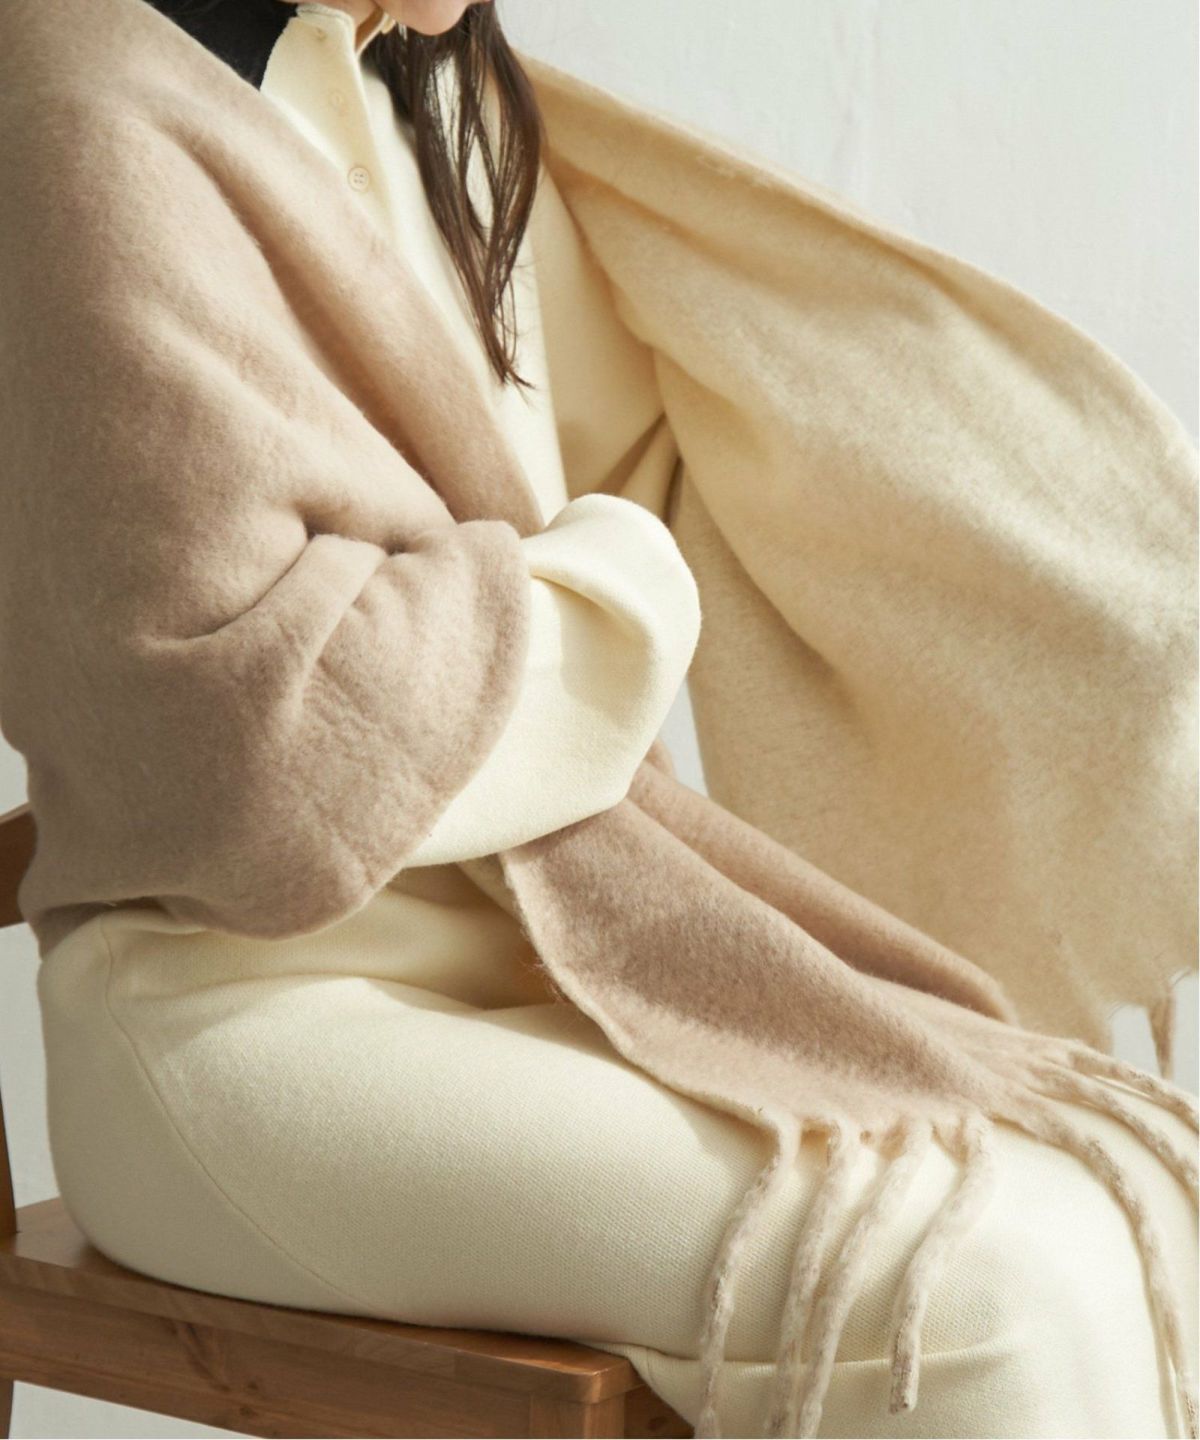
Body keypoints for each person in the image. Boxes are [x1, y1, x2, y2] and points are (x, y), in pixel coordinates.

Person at [26, 2, 1199, 1436]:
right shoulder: (72, 116)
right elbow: (264, 762)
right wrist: (621, 590)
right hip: (238, 1020)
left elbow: (667, 445)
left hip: (558, 964)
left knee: (1108, 1208)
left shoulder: (433, 98)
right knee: (988, 1294)